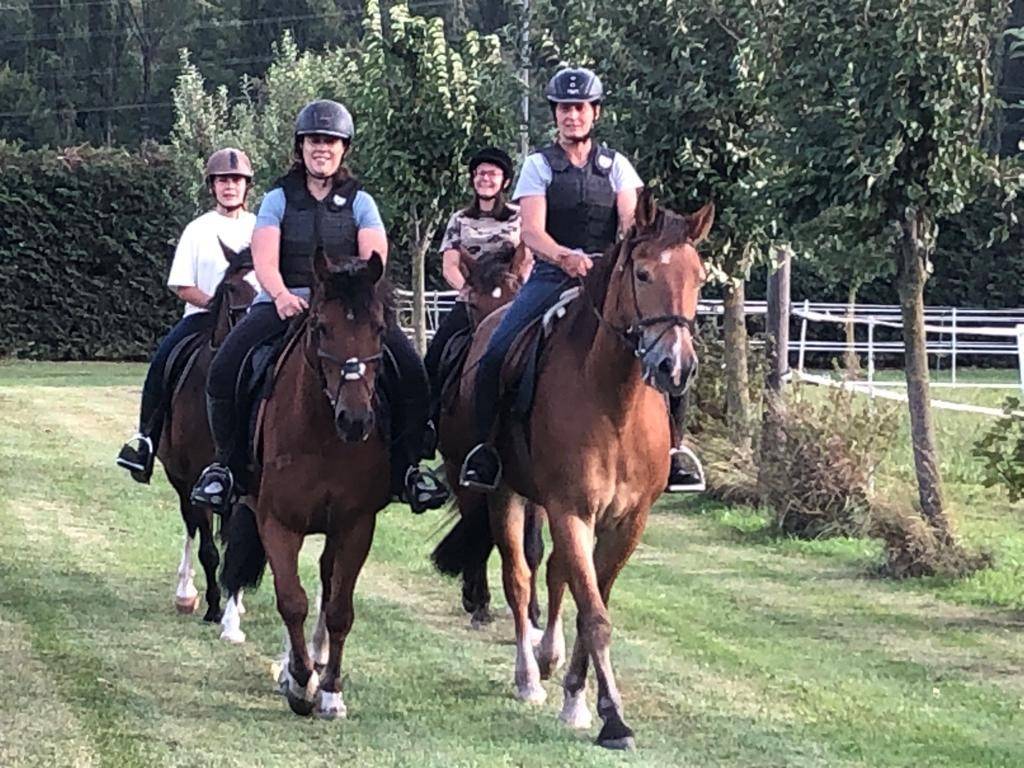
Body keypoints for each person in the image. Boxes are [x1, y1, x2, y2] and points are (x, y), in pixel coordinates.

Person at [188, 99, 449, 515]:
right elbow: (264, 258)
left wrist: (348, 294)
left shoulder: (361, 201)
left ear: (343, 148)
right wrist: (281, 296)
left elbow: (374, 258)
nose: (321, 148)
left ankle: (408, 471)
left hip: (346, 307)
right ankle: (227, 469)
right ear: (301, 147)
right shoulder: (278, 198)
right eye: (314, 141)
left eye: (330, 141)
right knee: (224, 370)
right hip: (285, 301)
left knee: (412, 374)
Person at [458, 67, 702, 493]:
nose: (572, 116)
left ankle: (674, 450)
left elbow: (630, 219)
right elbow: (532, 231)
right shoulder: (539, 165)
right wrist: (564, 257)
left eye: (580, 108)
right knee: (496, 350)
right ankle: (487, 450)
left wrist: (634, 244)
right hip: (552, 276)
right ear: (555, 114)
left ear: (595, 113)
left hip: (608, 280)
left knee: (673, 346)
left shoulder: (616, 166)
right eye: (564, 109)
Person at [116, 148, 258, 483]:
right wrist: (215, 305)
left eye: (236, 180)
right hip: (202, 319)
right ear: (212, 186)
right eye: (223, 180)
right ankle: (145, 441)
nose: (230, 186)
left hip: (252, 322)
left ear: (246, 186)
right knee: (162, 363)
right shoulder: (198, 230)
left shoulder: (261, 229)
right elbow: (182, 285)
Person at [423, 146, 528, 399]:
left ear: (505, 181)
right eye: (480, 173)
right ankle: (429, 412)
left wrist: (519, 284)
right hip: (473, 294)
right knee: (435, 354)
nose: (485, 179)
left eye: (492, 174)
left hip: (509, 294)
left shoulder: (520, 217)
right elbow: (450, 264)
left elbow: (527, 258)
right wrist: (466, 291)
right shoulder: (459, 219)